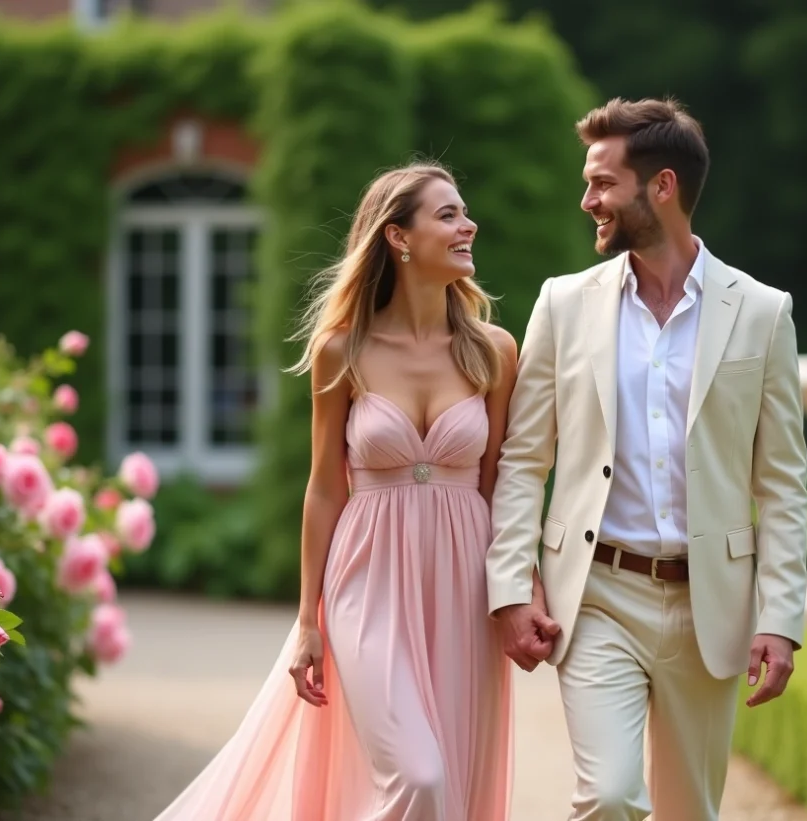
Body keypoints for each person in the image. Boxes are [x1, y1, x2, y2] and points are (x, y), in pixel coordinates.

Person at [153, 161, 540, 821]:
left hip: (461, 580)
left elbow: (502, 484)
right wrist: (308, 620)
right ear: (398, 236)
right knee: (420, 775)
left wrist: (520, 588)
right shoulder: (343, 350)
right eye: (447, 214)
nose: (467, 224)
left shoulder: (493, 351)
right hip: (367, 579)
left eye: (463, 211)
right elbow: (324, 488)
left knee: (453, 781)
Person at [486, 97, 807, 820]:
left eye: (602, 182)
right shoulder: (563, 305)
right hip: (598, 594)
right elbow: (523, 459)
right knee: (609, 796)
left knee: (689, 808)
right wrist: (511, 586)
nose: (587, 200)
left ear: (661, 187)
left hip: (711, 606)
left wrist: (781, 616)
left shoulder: (763, 312)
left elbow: (784, 484)